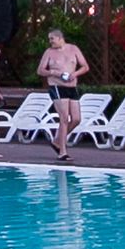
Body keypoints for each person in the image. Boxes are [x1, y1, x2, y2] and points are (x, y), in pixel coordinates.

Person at [37, 27, 88, 161]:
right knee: (64, 118)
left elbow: (85, 66)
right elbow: (40, 70)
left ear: (60, 38)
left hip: (71, 86)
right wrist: (54, 73)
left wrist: (74, 74)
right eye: (49, 39)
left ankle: (57, 141)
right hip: (56, 86)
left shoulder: (73, 49)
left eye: (52, 39)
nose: (50, 42)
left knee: (76, 119)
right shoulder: (49, 52)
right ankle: (62, 151)